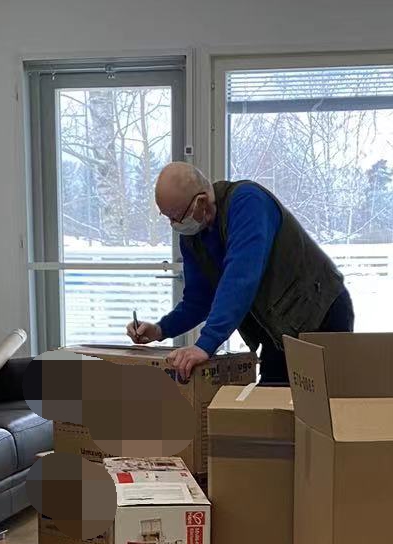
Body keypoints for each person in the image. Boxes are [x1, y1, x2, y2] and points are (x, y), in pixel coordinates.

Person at [127, 162, 354, 384]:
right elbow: (198, 300)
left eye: (178, 216)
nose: (174, 225)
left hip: (319, 314)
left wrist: (205, 344)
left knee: (326, 402)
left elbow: (241, 278)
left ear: (201, 201)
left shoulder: (248, 202)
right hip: (278, 331)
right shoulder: (193, 237)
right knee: (272, 403)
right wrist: (160, 329)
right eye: (168, 217)